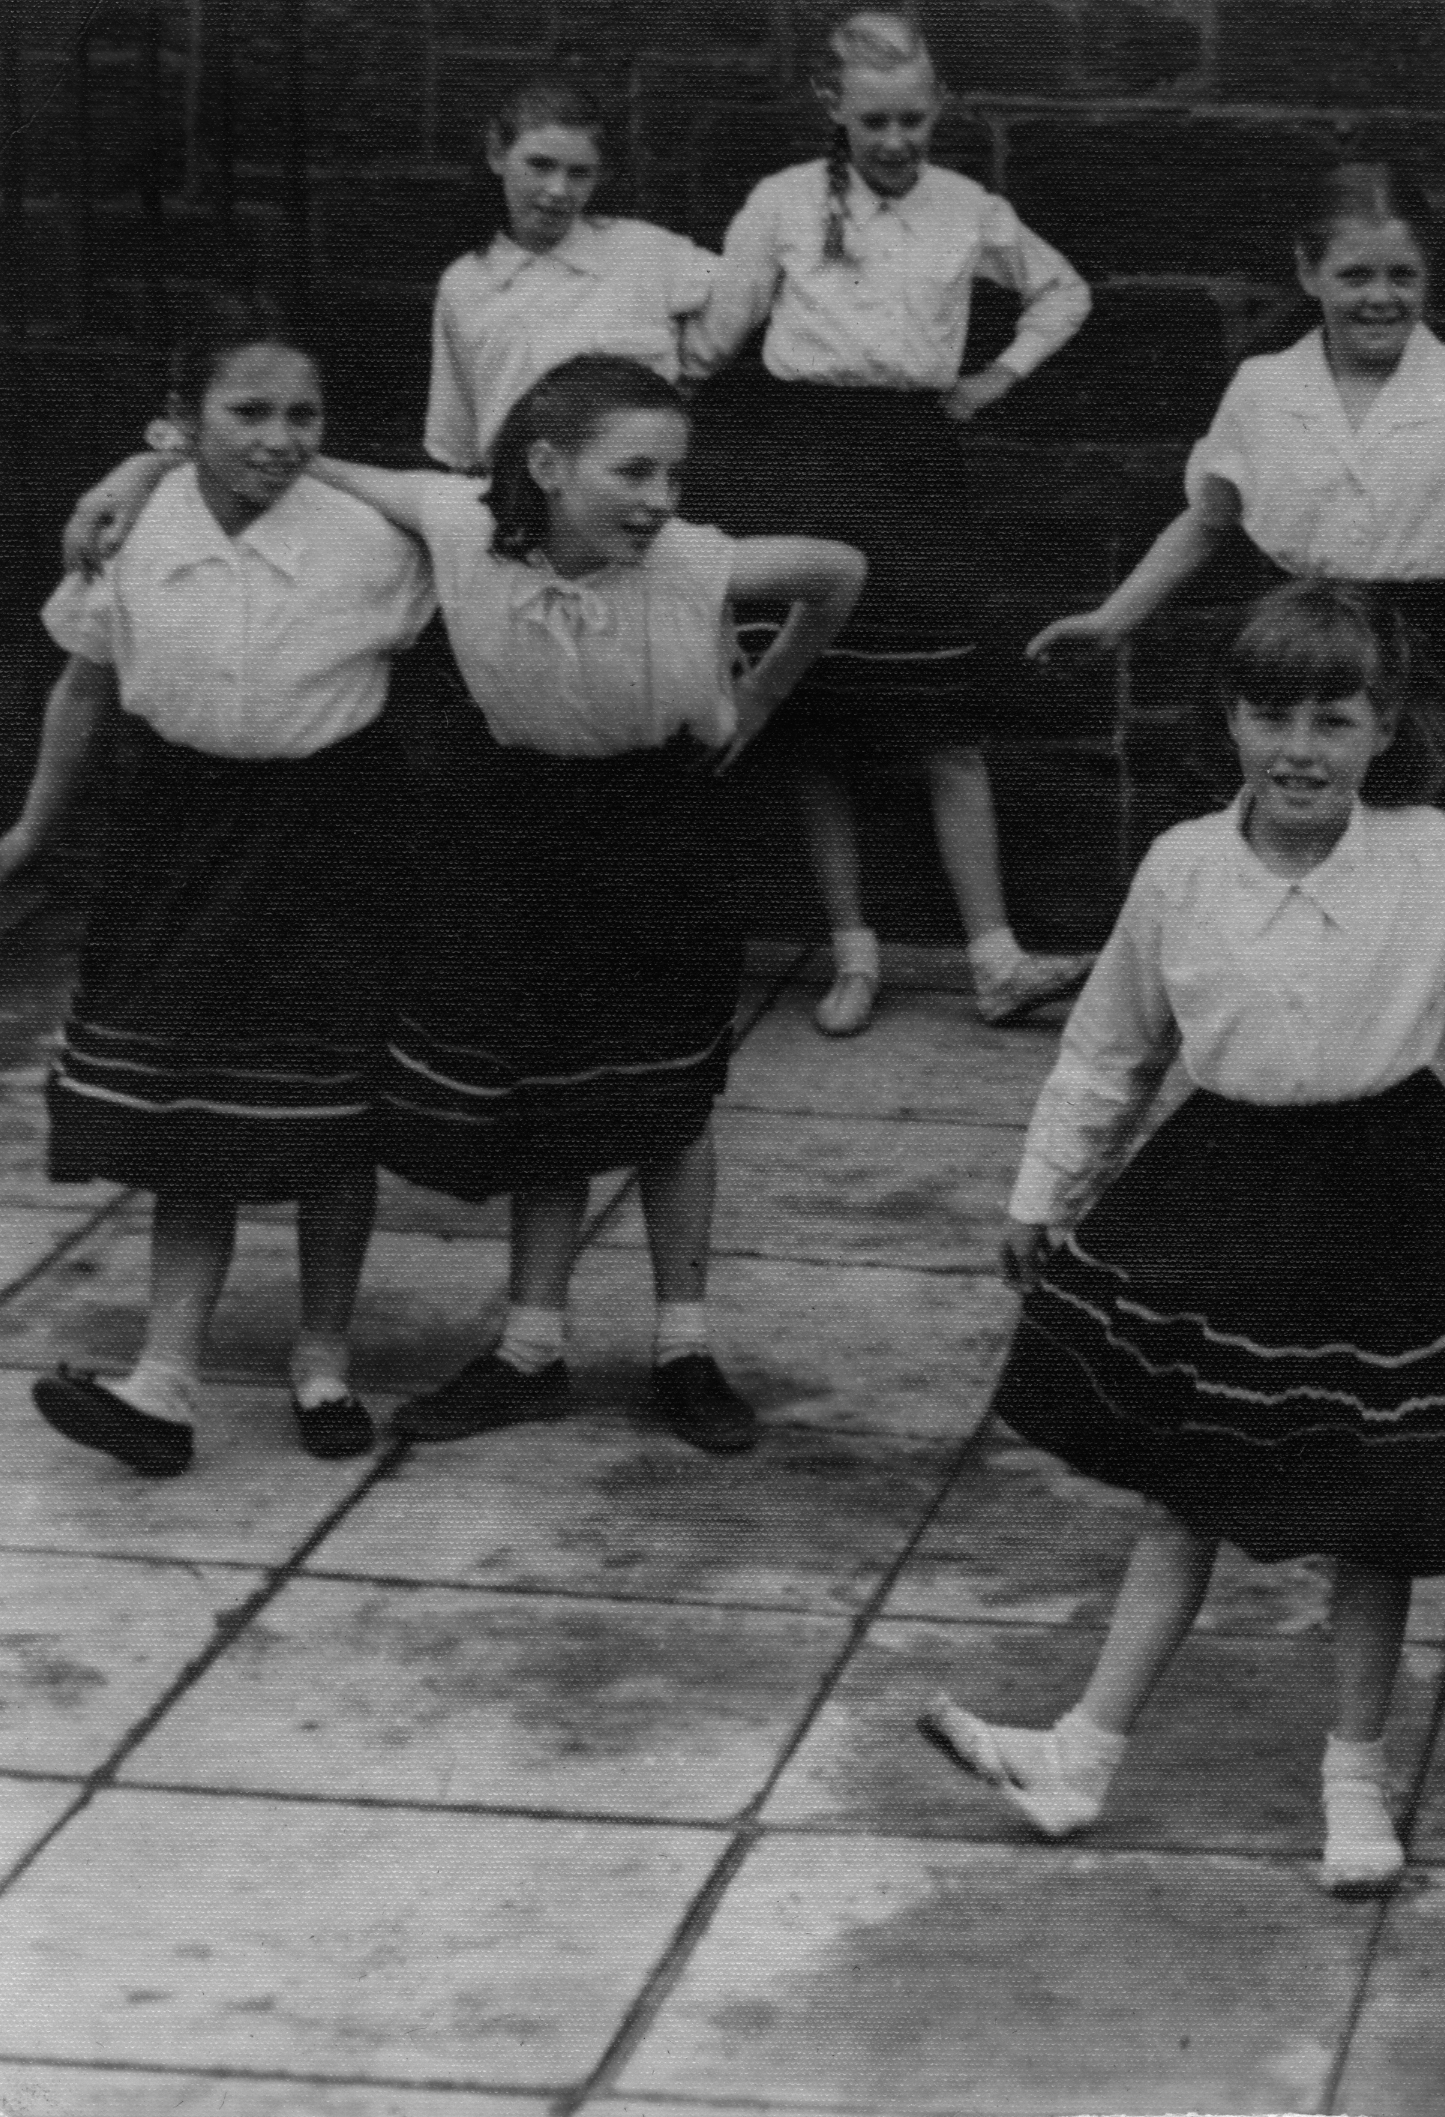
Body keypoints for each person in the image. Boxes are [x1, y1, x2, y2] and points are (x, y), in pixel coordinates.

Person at [79, 355, 866, 1454]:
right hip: (529, 820)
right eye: (633, 472)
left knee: (671, 1097)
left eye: (673, 475)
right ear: (545, 466)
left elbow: (838, 568)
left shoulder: (693, 560)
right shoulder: (455, 520)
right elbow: (310, 464)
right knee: (550, 1083)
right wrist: (139, 466)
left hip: (662, 821)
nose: (659, 499)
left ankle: (683, 1348)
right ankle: (530, 1350)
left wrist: (763, 694)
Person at [917, 583, 1445, 1898]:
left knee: (1374, 1503)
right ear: (1229, 718)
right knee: (1189, 1480)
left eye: (1334, 720)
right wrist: (1041, 1191)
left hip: (1389, 1197)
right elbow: (1111, 1046)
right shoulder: (1184, 866)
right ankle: (1081, 1756)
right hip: (1228, 1186)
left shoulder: (1437, 858)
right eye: (1269, 715)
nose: (1299, 750)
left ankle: (1354, 1782)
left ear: (1386, 727)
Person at [0, 312, 433, 1476]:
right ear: (183, 421)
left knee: (330, 1117)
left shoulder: (373, 542)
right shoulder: (131, 531)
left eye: (303, 414)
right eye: (249, 412)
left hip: (328, 847)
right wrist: (34, 825)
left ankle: (324, 1360)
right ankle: (164, 1382)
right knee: (187, 1113)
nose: (280, 438)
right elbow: (84, 689)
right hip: (174, 839)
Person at [682, 7, 1094, 1037]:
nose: (897, 140)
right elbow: (718, 333)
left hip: (916, 469)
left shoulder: (968, 209)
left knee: (945, 720)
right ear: (834, 107)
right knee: (816, 720)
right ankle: (853, 953)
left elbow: (1062, 293)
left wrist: (995, 377)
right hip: (805, 463)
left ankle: (995, 961)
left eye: (914, 117)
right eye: (875, 121)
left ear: (939, 105)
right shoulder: (781, 202)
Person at [1027, 161, 1445, 822]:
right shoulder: (1265, 388)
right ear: (1309, 272)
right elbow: (1208, 518)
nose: (1381, 297)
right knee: (1293, 823)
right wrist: (1113, 617)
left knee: (1428, 831)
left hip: (1437, 654)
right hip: (1297, 642)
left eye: (1402, 275)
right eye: (1354, 276)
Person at [425, 73, 722, 477]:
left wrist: (695, 362)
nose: (558, 190)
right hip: (516, 497)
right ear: (497, 155)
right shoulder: (464, 284)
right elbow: (458, 443)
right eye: (540, 165)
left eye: (579, 173)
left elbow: (744, 287)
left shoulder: (645, 251)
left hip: (631, 495)